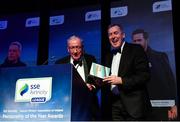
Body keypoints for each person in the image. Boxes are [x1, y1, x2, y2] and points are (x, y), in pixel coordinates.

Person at [101, 24, 151, 121]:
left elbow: (145, 76)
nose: (113, 36)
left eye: (116, 33)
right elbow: (105, 78)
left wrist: (121, 80)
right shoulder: (108, 56)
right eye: (110, 34)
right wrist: (98, 82)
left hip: (133, 106)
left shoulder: (136, 49)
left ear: (123, 35)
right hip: (114, 105)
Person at [132, 29, 178, 120]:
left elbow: (170, 82)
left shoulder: (160, 57)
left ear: (146, 40)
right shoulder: (131, 61)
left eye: (139, 40)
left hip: (161, 108)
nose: (137, 43)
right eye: (134, 41)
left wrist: (174, 104)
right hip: (140, 109)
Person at [55, 35, 100, 120]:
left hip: (89, 106)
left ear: (82, 48)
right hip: (67, 107)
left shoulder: (91, 59)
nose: (75, 51)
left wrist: (93, 86)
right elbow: (57, 85)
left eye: (78, 47)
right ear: (68, 49)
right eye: (72, 48)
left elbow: (100, 79)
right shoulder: (60, 63)